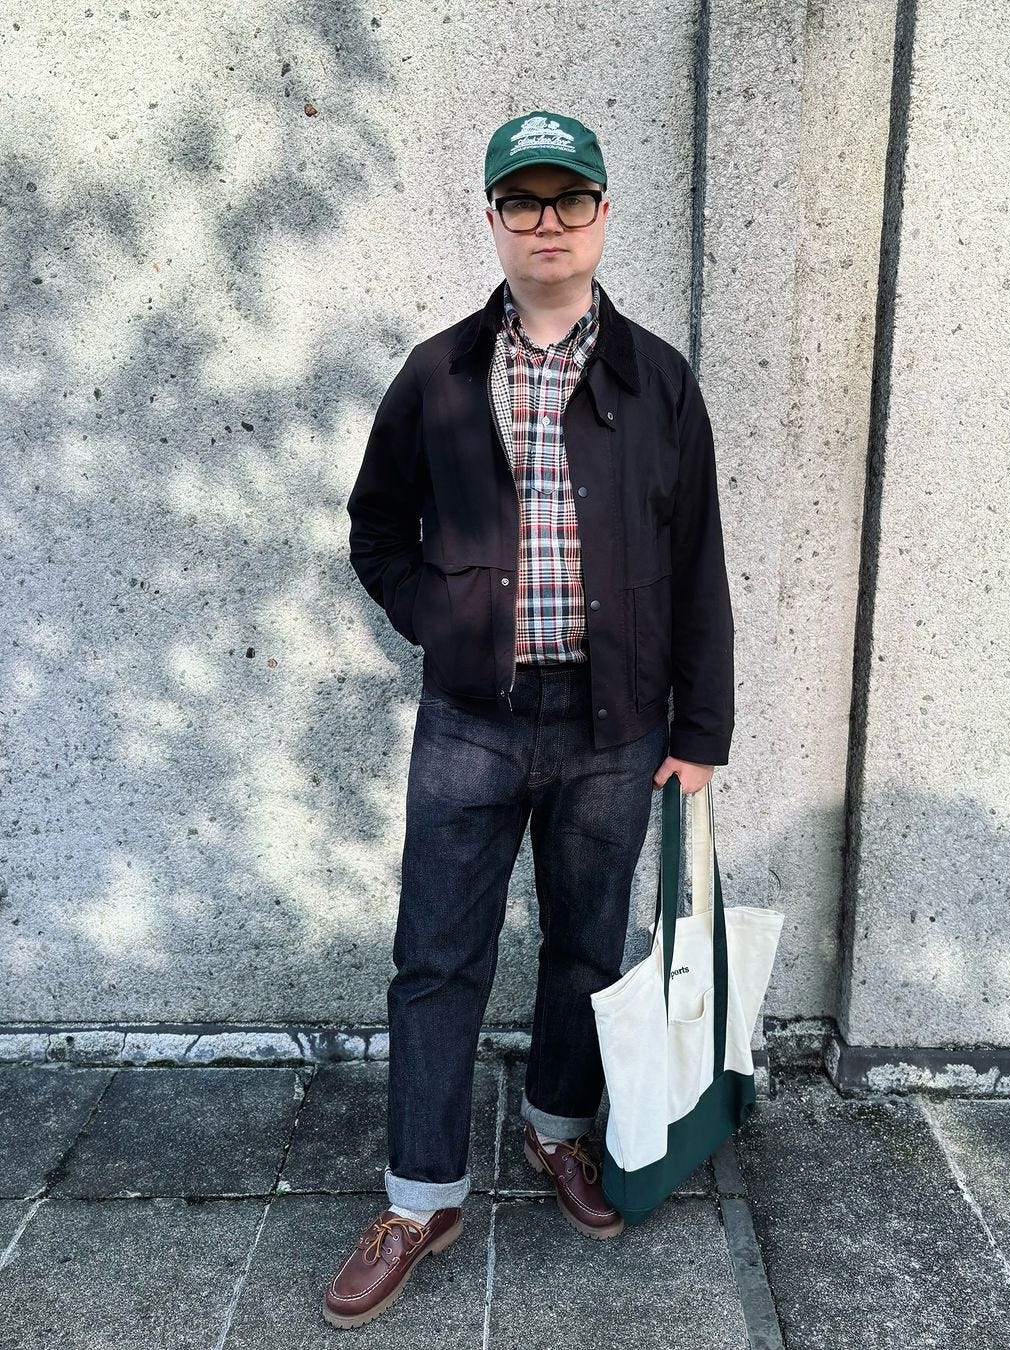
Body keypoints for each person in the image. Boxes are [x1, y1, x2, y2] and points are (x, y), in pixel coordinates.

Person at [323, 109, 734, 1328]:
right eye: (523, 202)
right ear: (494, 220)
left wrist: (700, 733)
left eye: (568, 200)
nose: (546, 223)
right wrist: (440, 623)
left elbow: (702, 560)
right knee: (436, 958)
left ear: (604, 214)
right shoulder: (439, 375)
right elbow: (375, 531)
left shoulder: (659, 380)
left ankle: (562, 1130)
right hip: (472, 718)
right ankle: (421, 1195)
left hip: (614, 722)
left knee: (582, 947)